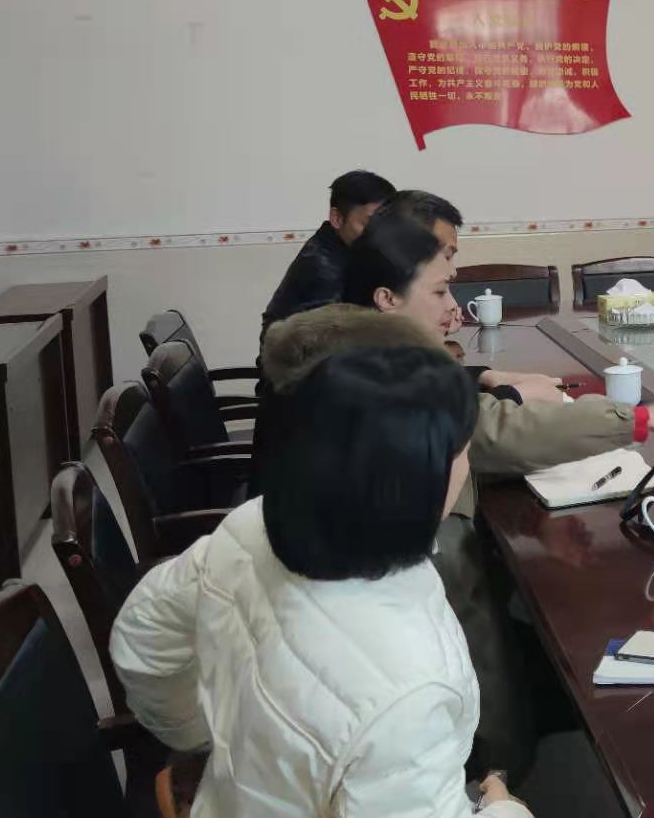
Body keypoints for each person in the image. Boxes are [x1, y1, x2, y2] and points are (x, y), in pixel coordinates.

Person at [260, 209, 654, 780]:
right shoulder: (387, 381)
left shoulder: (347, 357)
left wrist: (479, 380)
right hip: (419, 619)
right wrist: (641, 419)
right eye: (441, 289)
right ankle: (498, 765)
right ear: (386, 299)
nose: (454, 307)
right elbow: (492, 433)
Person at [111, 346, 531, 818]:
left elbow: (140, 644)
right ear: (425, 480)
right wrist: (502, 807)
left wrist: (215, 740)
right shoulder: (408, 687)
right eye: (464, 451)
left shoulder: (252, 524)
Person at [260, 170, 395, 329]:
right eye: (370, 224)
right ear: (337, 218)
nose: (382, 233)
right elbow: (330, 336)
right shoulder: (322, 268)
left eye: (388, 222)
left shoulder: (352, 246)